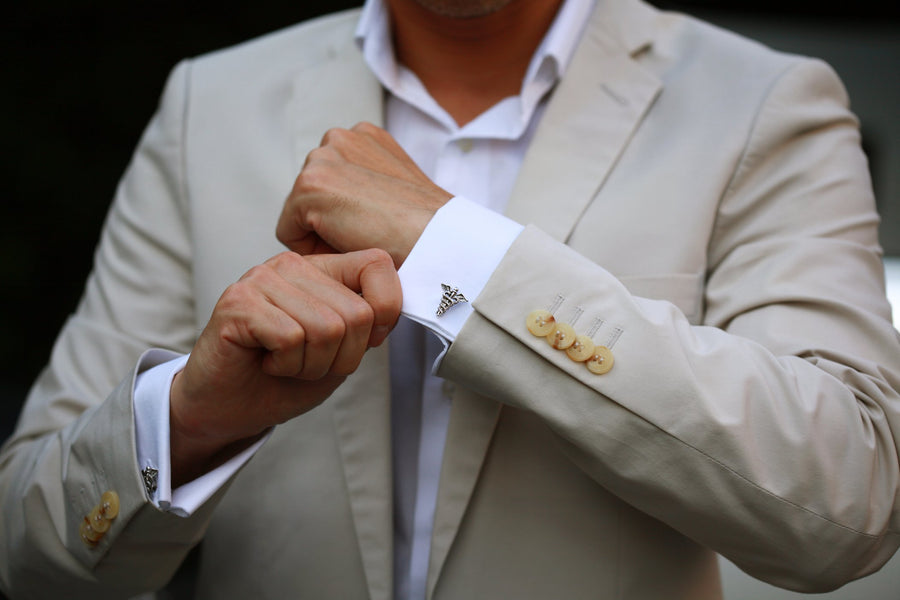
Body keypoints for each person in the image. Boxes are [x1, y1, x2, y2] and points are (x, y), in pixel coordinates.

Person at [2, 0, 899, 598]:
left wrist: (454, 249)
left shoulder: (761, 102)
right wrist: (190, 421)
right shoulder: (211, 101)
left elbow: (848, 503)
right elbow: (24, 543)